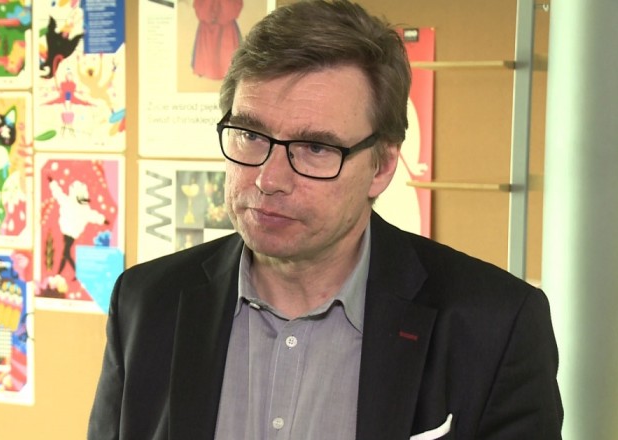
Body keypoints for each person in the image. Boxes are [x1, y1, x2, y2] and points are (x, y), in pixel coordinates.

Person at [88, 1, 564, 438]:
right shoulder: (147, 303)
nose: (269, 178)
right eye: (250, 135)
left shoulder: (494, 325)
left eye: (315, 147)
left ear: (382, 166)